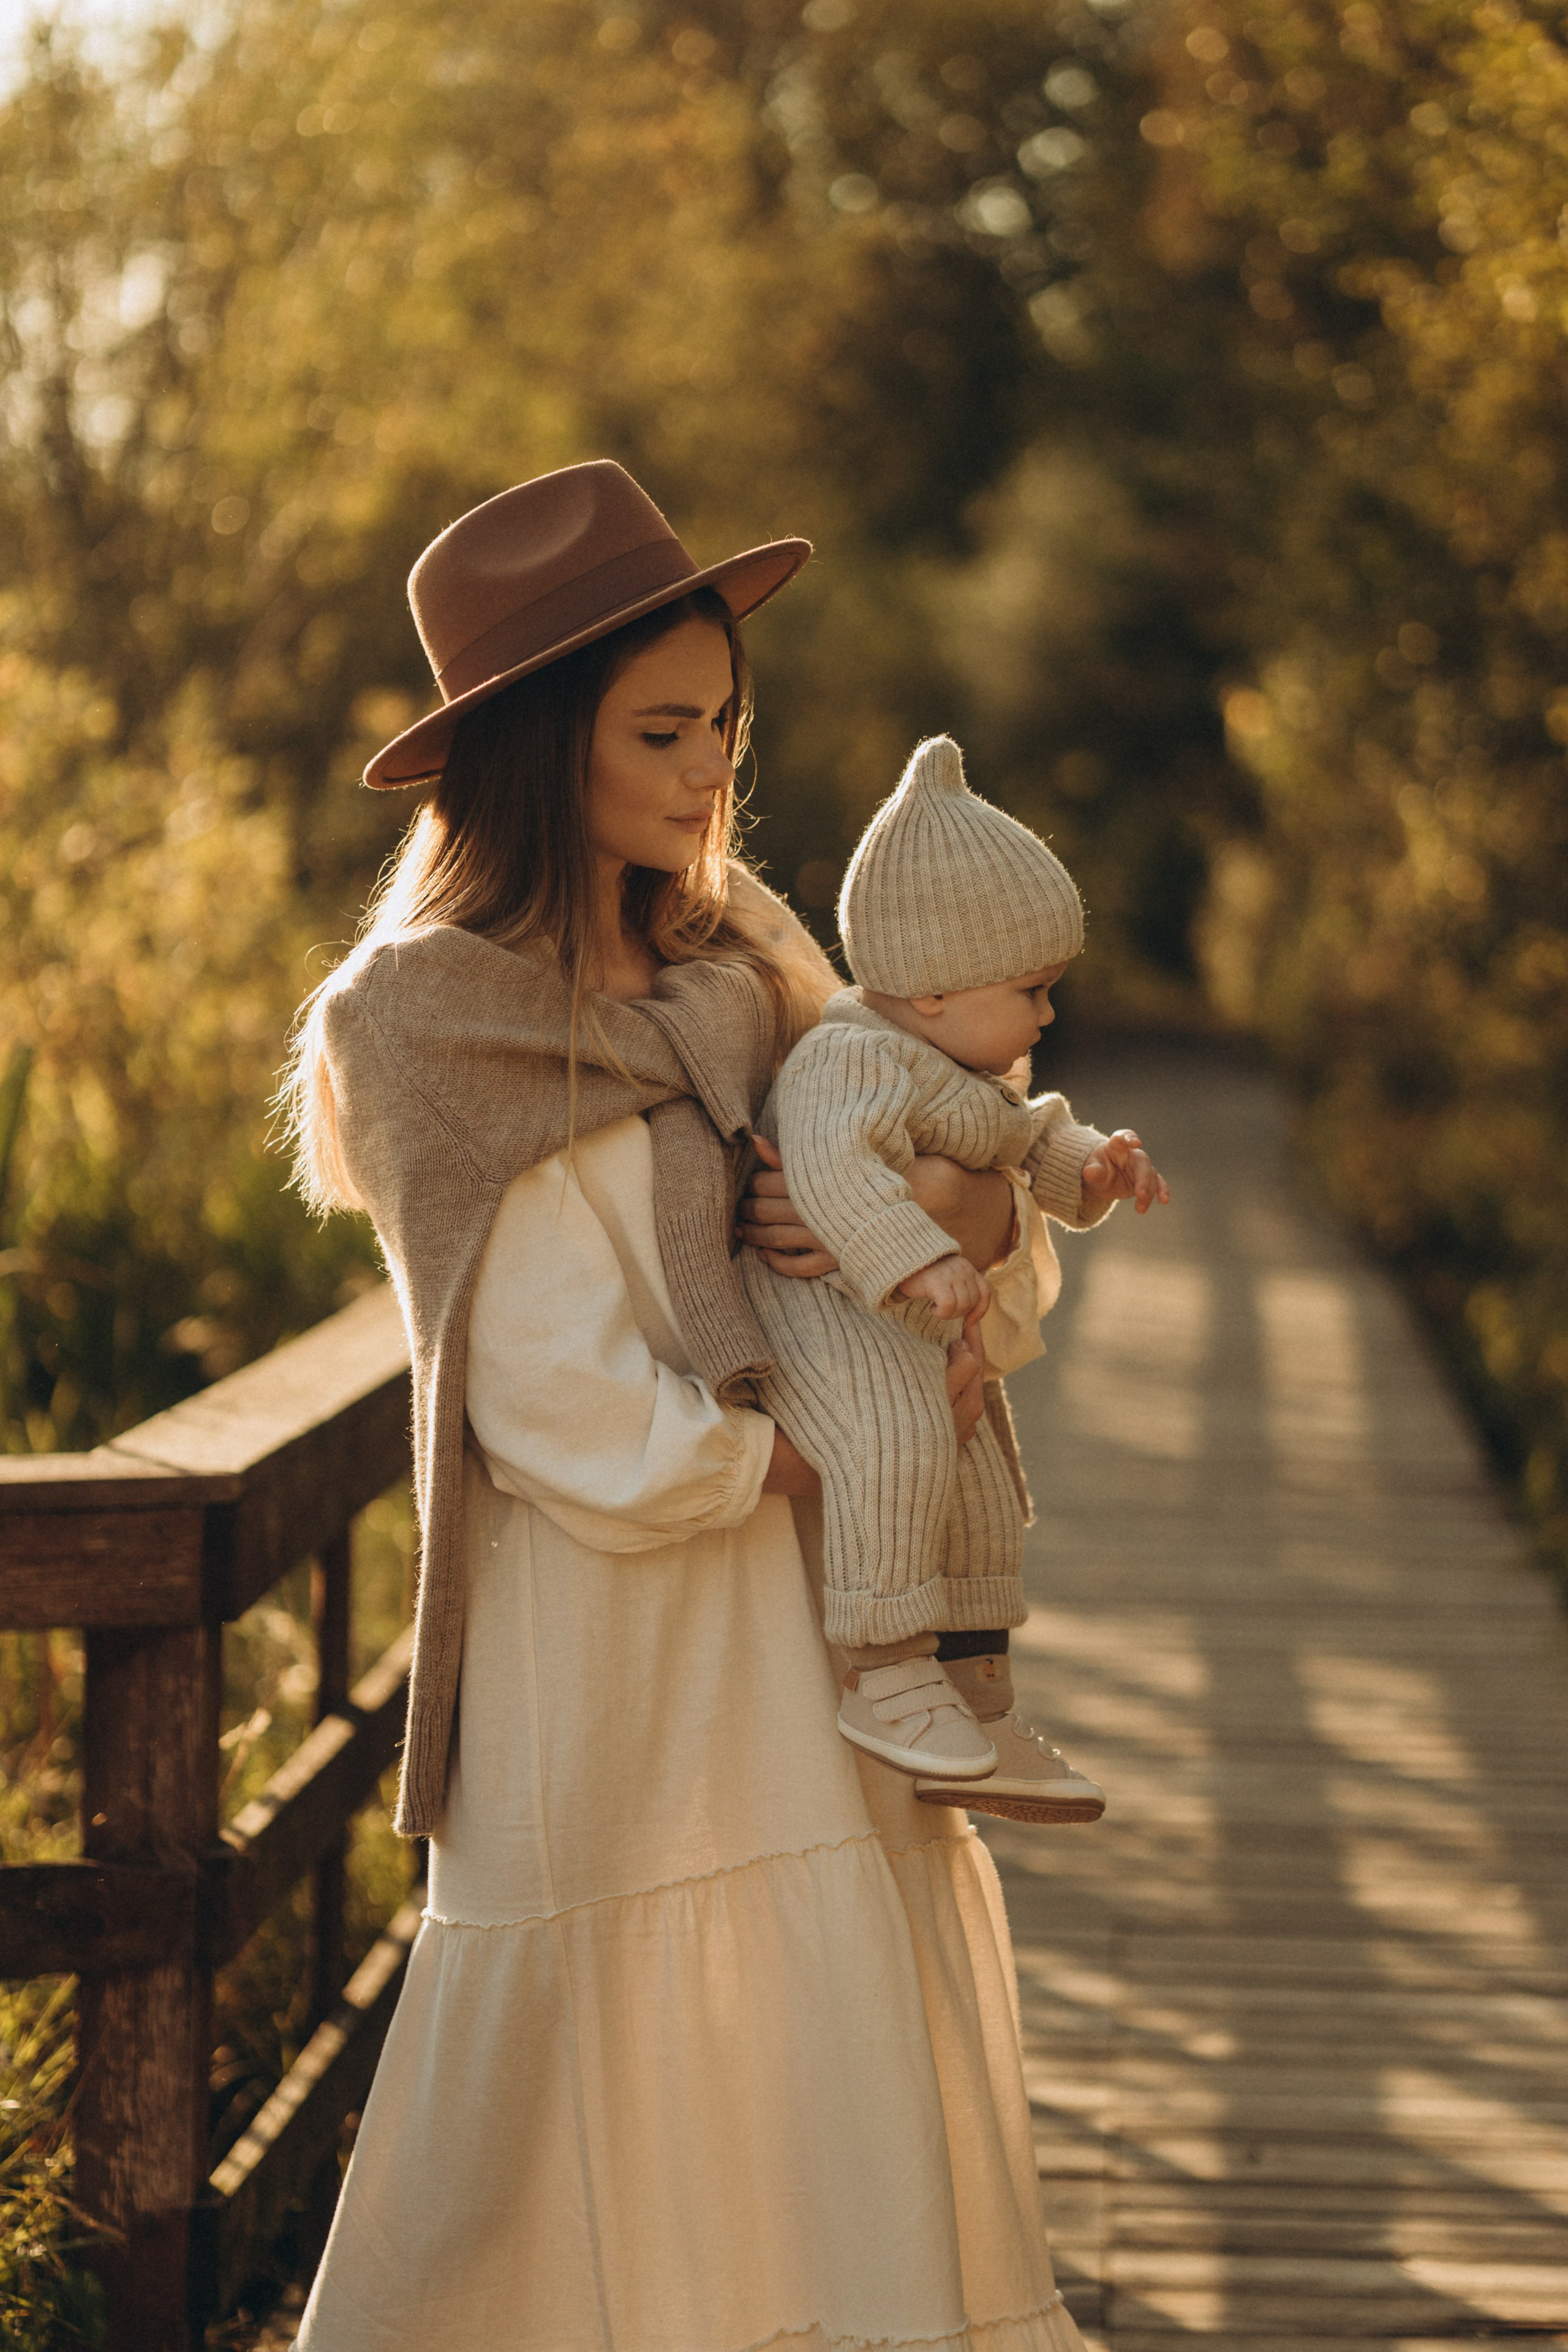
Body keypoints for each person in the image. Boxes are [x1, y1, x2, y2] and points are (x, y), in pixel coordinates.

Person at [282, 459, 1086, 2350]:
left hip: (809, 1656)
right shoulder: (417, 1021)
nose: (711, 766)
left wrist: (937, 1217)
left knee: (822, 2151)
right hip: (616, 1666)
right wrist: (813, 1447)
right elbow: (541, 1395)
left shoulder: (753, 957)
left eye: (726, 720)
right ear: (540, 742)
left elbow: (978, 1237)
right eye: (661, 728)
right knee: (587, 2180)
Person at [741, 733, 1169, 1821]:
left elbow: (1024, 1142)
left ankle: (975, 1686)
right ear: (933, 987)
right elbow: (835, 1171)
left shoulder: (961, 1068)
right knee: (897, 1437)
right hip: (821, 1319)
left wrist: (1096, 1170)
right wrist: (922, 1255)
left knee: (975, 1464)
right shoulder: (850, 1060)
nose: (1049, 1014)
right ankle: (883, 1665)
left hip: (902, 1313)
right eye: (1033, 989)